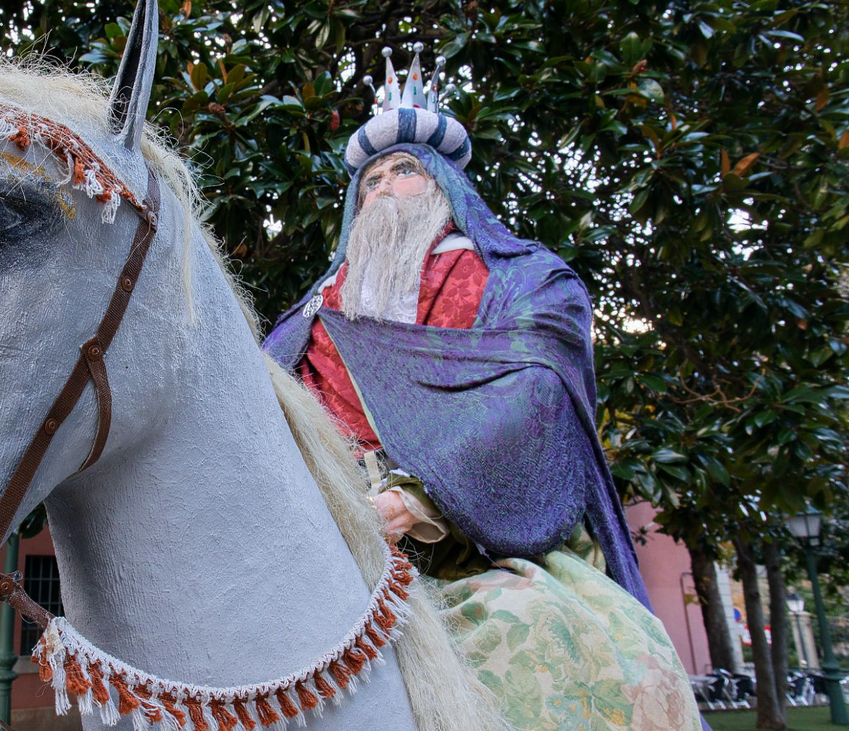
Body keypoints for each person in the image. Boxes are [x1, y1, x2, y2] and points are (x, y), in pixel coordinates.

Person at [264, 47, 703, 731]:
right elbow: (260, 417)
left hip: (485, 544)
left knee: (550, 635)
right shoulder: (308, 318)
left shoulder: (525, 282)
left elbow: (536, 396)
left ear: (444, 185)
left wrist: (418, 495)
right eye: (370, 180)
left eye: (403, 170)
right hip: (327, 539)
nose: (382, 188)